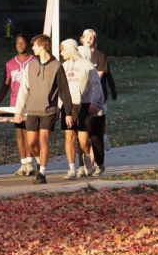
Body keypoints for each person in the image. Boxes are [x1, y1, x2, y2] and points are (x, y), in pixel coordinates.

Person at [14, 34, 77, 185]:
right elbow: (23, 89)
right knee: (31, 143)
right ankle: (39, 161)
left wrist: (68, 113)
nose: (32, 48)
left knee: (43, 140)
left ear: (42, 46)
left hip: (48, 111)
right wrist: (18, 110)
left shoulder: (56, 66)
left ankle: (41, 173)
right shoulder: (31, 65)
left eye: (34, 45)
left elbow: (65, 91)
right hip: (32, 110)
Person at [59, 38, 106, 178]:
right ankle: (71, 169)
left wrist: (93, 102)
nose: (61, 53)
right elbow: (60, 88)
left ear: (70, 49)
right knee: (69, 136)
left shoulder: (87, 64)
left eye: (63, 50)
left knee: (84, 140)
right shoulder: (63, 66)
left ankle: (87, 158)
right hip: (68, 105)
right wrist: (58, 107)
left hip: (84, 105)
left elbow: (96, 84)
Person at [0, 33, 37, 177]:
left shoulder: (34, 61)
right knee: (19, 133)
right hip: (15, 103)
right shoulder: (10, 64)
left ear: (28, 45)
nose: (20, 45)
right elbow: (5, 85)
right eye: (18, 43)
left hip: (31, 102)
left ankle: (30, 163)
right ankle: (23, 163)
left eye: (23, 43)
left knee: (29, 133)